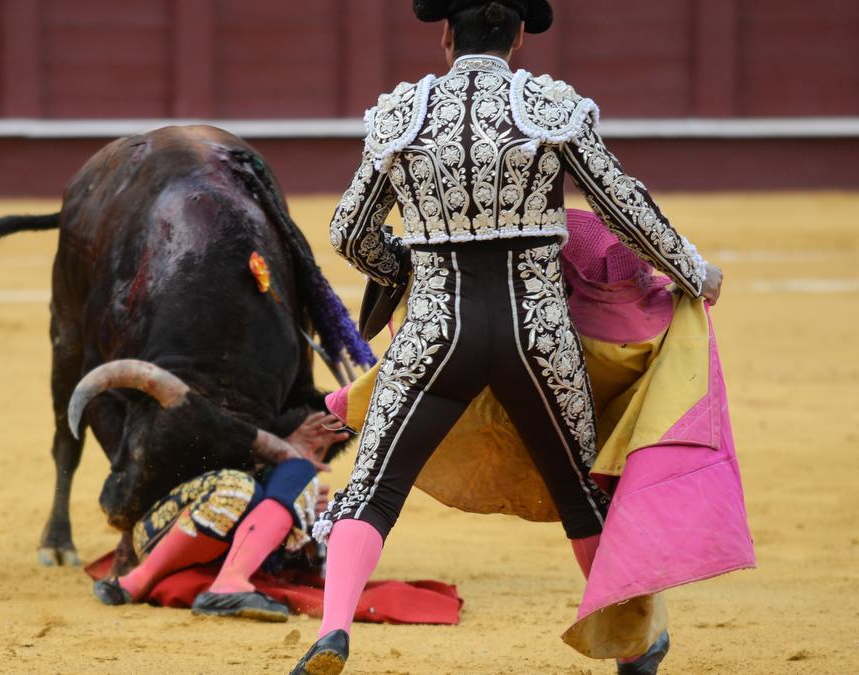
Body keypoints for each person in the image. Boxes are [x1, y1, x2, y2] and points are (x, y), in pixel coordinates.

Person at [291, 2, 724, 674]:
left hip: (435, 330)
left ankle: (333, 631)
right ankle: (632, 644)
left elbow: (349, 230)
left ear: (444, 36)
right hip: (537, 332)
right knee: (580, 491)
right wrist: (693, 269)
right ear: (520, 37)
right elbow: (622, 207)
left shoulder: (401, 115)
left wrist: (404, 266)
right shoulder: (551, 108)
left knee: (373, 485)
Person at [93, 412, 346, 621]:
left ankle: (141, 581)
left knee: (297, 480)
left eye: (320, 450)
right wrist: (277, 452)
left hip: (196, 554)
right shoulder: (239, 445)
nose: (310, 454)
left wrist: (307, 527)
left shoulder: (302, 495)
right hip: (159, 530)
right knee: (253, 484)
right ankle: (143, 580)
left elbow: (310, 573)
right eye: (308, 441)